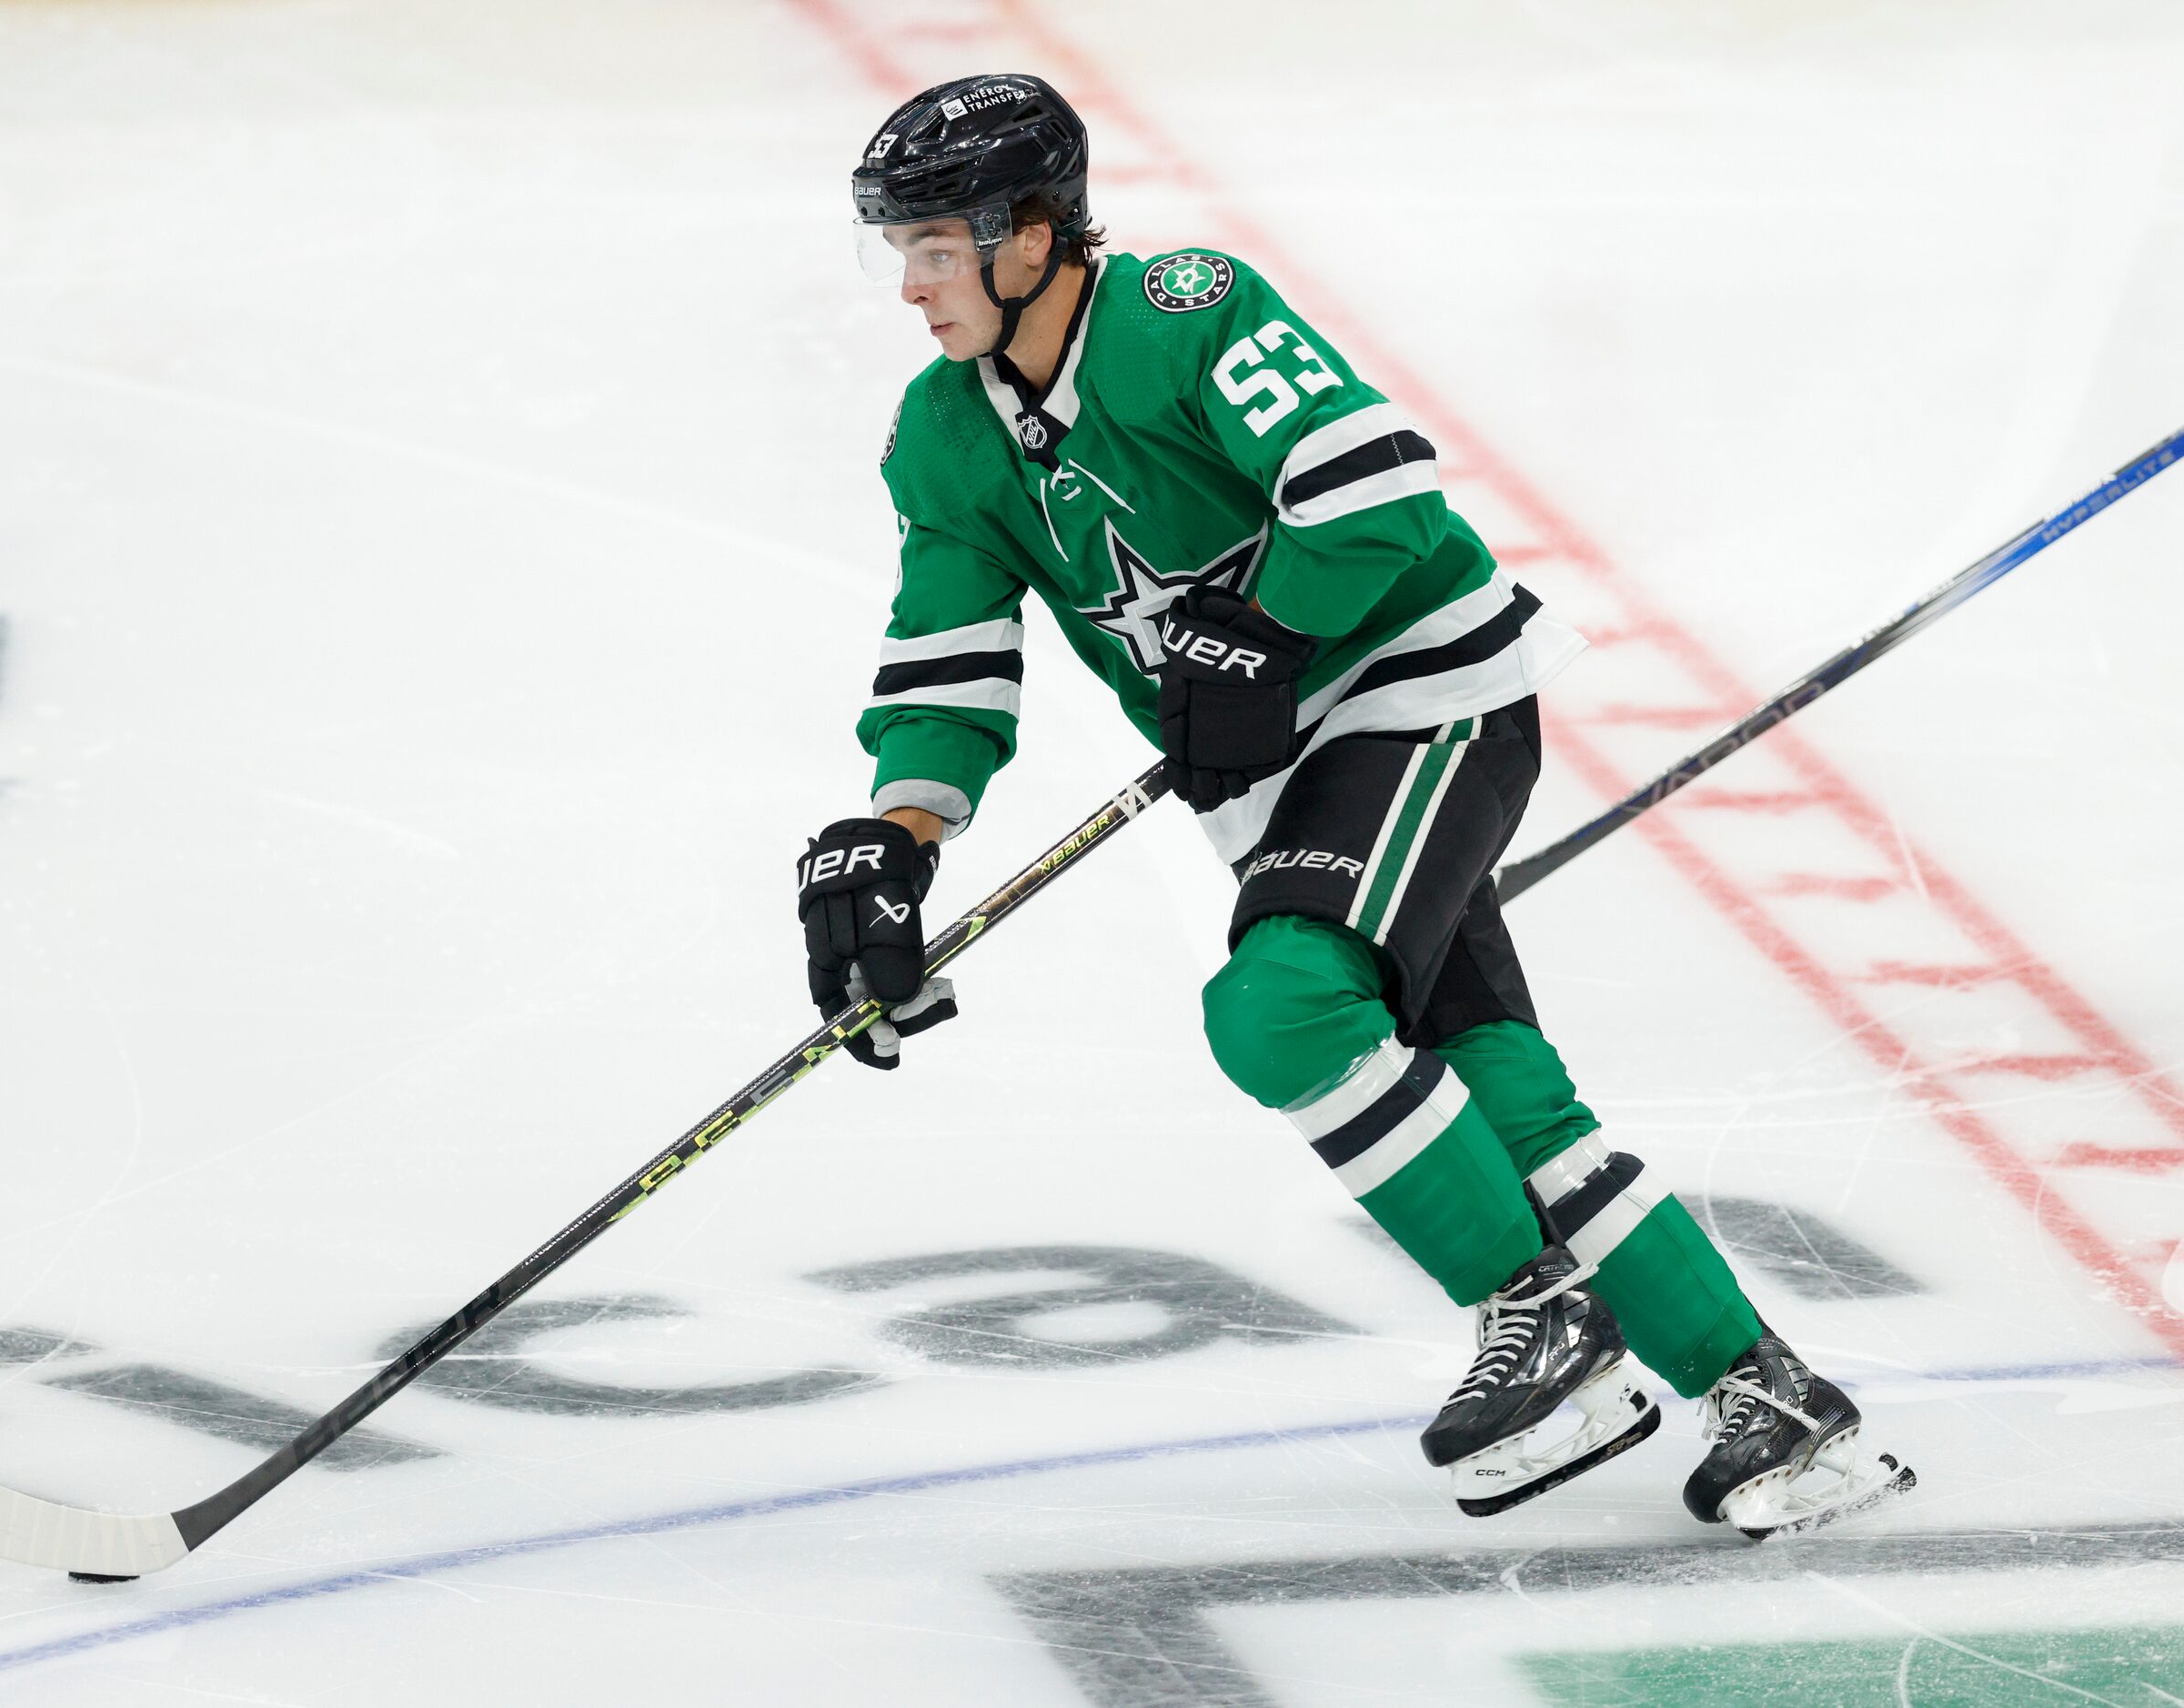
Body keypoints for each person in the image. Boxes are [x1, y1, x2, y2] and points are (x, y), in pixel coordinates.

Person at [792, 73, 1913, 1537]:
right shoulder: (945, 434)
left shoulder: (1185, 310)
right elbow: (950, 655)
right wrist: (898, 834)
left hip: (1416, 694)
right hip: (1273, 772)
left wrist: (1263, 629)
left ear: (1031, 235)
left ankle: (1543, 1317)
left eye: (937, 248)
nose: (913, 288)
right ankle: (1774, 1403)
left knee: (1282, 1012)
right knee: (1501, 1094)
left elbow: (1376, 490)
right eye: (901, 253)